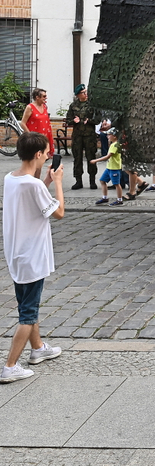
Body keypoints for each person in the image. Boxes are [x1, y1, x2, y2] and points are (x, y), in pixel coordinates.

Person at [1, 132, 64, 383]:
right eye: (47, 152)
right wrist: (58, 182)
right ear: (38, 154)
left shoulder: (12, 178)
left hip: (17, 253)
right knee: (28, 312)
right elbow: (58, 212)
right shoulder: (32, 184)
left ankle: (37, 349)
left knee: (27, 304)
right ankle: (9, 365)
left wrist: (45, 180)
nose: (48, 155)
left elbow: (34, 196)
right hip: (32, 256)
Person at [65, 84, 100, 190]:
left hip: (89, 136)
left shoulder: (92, 105)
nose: (86, 94)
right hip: (77, 136)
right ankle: (78, 181)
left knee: (91, 158)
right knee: (77, 158)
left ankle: (92, 181)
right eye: (83, 92)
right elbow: (68, 119)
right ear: (78, 95)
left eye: (86, 92)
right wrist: (73, 121)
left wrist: (89, 121)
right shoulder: (73, 105)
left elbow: (98, 119)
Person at [92, 128, 125, 207]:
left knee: (117, 184)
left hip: (114, 168)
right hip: (109, 167)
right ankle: (105, 198)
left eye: (109, 135)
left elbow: (108, 156)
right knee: (102, 181)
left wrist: (96, 160)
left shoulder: (115, 145)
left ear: (115, 136)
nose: (107, 136)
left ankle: (119, 200)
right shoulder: (114, 144)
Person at [20, 87, 54, 158]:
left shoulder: (44, 106)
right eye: (44, 96)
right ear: (37, 97)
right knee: (34, 160)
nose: (46, 98)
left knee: (42, 160)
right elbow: (23, 123)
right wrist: (30, 136)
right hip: (35, 139)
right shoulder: (30, 107)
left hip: (44, 138)